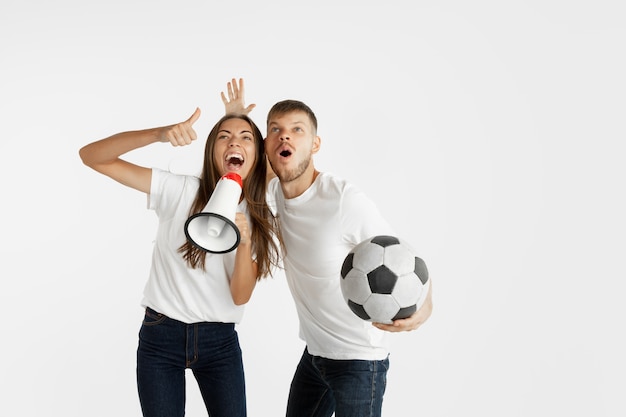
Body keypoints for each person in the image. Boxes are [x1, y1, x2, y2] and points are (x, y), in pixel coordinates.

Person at [78, 78, 281, 417]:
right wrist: (160, 133)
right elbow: (92, 156)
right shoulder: (179, 191)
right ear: (211, 150)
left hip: (220, 343)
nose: (235, 142)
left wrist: (244, 243)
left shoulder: (260, 212)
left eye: (246, 139)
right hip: (161, 336)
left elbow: (240, 296)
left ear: (257, 154)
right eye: (224, 137)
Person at [262, 98, 434, 417]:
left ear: (315, 144)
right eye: (276, 130)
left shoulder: (343, 200)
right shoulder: (273, 192)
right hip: (315, 355)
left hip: (359, 362)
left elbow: (404, 258)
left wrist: (427, 306)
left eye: (296, 130)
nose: (285, 137)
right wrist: (236, 116)